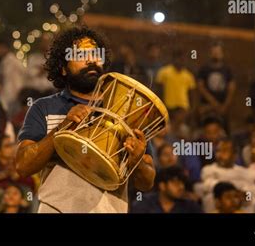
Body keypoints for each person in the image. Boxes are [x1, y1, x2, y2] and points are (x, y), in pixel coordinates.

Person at [16, 27, 156, 213]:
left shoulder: (127, 111)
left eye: (96, 54)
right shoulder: (44, 108)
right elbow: (23, 166)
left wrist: (137, 161)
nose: (91, 60)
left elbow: (147, 183)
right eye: (80, 55)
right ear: (63, 68)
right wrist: (62, 128)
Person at [197, 139, 255, 212]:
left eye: (225, 150)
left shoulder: (246, 172)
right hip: (219, 204)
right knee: (210, 196)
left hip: (241, 202)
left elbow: (250, 191)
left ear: (234, 155)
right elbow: (210, 185)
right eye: (218, 151)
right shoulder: (209, 170)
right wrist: (235, 190)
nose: (220, 154)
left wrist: (245, 195)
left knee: (251, 197)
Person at [131, 166, 202, 213]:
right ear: (162, 186)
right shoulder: (145, 203)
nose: (181, 187)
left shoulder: (190, 206)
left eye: (182, 183)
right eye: (176, 183)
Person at [197, 43, 236, 123]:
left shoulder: (227, 70)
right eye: (214, 52)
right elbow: (200, 87)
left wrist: (225, 105)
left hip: (223, 106)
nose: (216, 54)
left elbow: (231, 89)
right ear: (210, 54)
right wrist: (213, 103)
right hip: (207, 105)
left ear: (222, 54)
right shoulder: (204, 69)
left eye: (218, 52)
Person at [155, 49, 197, 115]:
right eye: (179, 58)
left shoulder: (188, 75)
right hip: (167, 107)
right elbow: (158, 90)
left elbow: (192, 94)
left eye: (183, 59)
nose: (181, 61)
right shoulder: (164, 72)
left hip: (183, 108)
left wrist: (192, 110)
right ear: (174, 59)